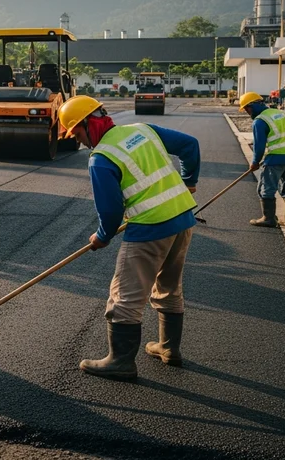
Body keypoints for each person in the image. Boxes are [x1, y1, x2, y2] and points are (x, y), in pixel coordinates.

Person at [57, 95, 200, 380]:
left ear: (88, 123)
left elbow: (111, 211)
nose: (81, 142)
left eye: (78, 134)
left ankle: (120, 361)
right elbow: (190, 145)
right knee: (169, 287)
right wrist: (189, 182)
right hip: (183, 220)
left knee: (125, 296)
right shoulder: (143, 130)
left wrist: (102, 236)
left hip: (150, 228)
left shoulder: (101, 159)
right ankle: (169, 348)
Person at [238, 92, 285, 228]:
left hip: (276, 158)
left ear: (254, 105)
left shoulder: (260, 121)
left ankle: (268, 219)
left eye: (247, 108)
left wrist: (255, 162)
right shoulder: (281, 113)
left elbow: (259, 146)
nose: (247, 112)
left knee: (266, 188)